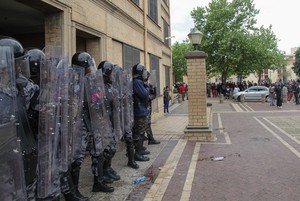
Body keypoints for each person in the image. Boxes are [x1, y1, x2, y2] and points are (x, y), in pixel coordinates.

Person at [0, 36, 39, 201]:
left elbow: (38, 94)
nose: (19, 68)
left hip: (26, 156)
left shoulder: (22, 87)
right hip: (5, 167)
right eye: (15, 64)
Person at [72, 52, 114, 193]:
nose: (91, 69)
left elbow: (98, 99)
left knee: (98, 153)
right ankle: (74, 191)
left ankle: (98, 183)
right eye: (89, 67)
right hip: (80, 126)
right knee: (77, 159)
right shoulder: (72, 83)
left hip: (93, 123)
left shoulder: (89, 81)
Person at [98, 61, 121, 182]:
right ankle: (101, 175)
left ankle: (107, 169)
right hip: (102, 123)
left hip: (110, 121)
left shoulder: (109, 85)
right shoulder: (97, 85)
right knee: (103, 151)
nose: (112, 76)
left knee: (111, 148)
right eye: (110, 73)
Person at [132, 63, 150, 162]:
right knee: (139, 133)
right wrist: (147, 87)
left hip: (141, 110)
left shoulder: (139, 81)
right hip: (139, 111)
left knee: (141, 132)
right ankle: (138, 153)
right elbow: (144, 94)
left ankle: (140, 150)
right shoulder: (137, 82)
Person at [145, 71, 160, 145]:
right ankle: (150, 138)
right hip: (143, 108)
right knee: (146, 123)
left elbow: (152, 96)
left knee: (147, 123)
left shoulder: (148, 85)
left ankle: (149, 137)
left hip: (147, 107)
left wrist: (153, 92)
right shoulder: (140, 85)